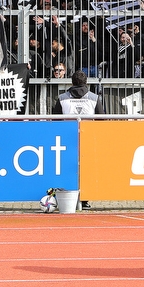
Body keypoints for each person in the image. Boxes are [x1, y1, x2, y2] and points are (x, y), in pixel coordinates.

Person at [52, 70, 102, 209]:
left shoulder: (62, 98)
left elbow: (55, 120)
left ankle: (67, 198)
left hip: (67, 139)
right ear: (86, 82)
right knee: (86, 169)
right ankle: (84, 200)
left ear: (72, 82)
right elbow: (102, 119)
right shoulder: (94, 98)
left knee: (67, 168)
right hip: (87, 138)